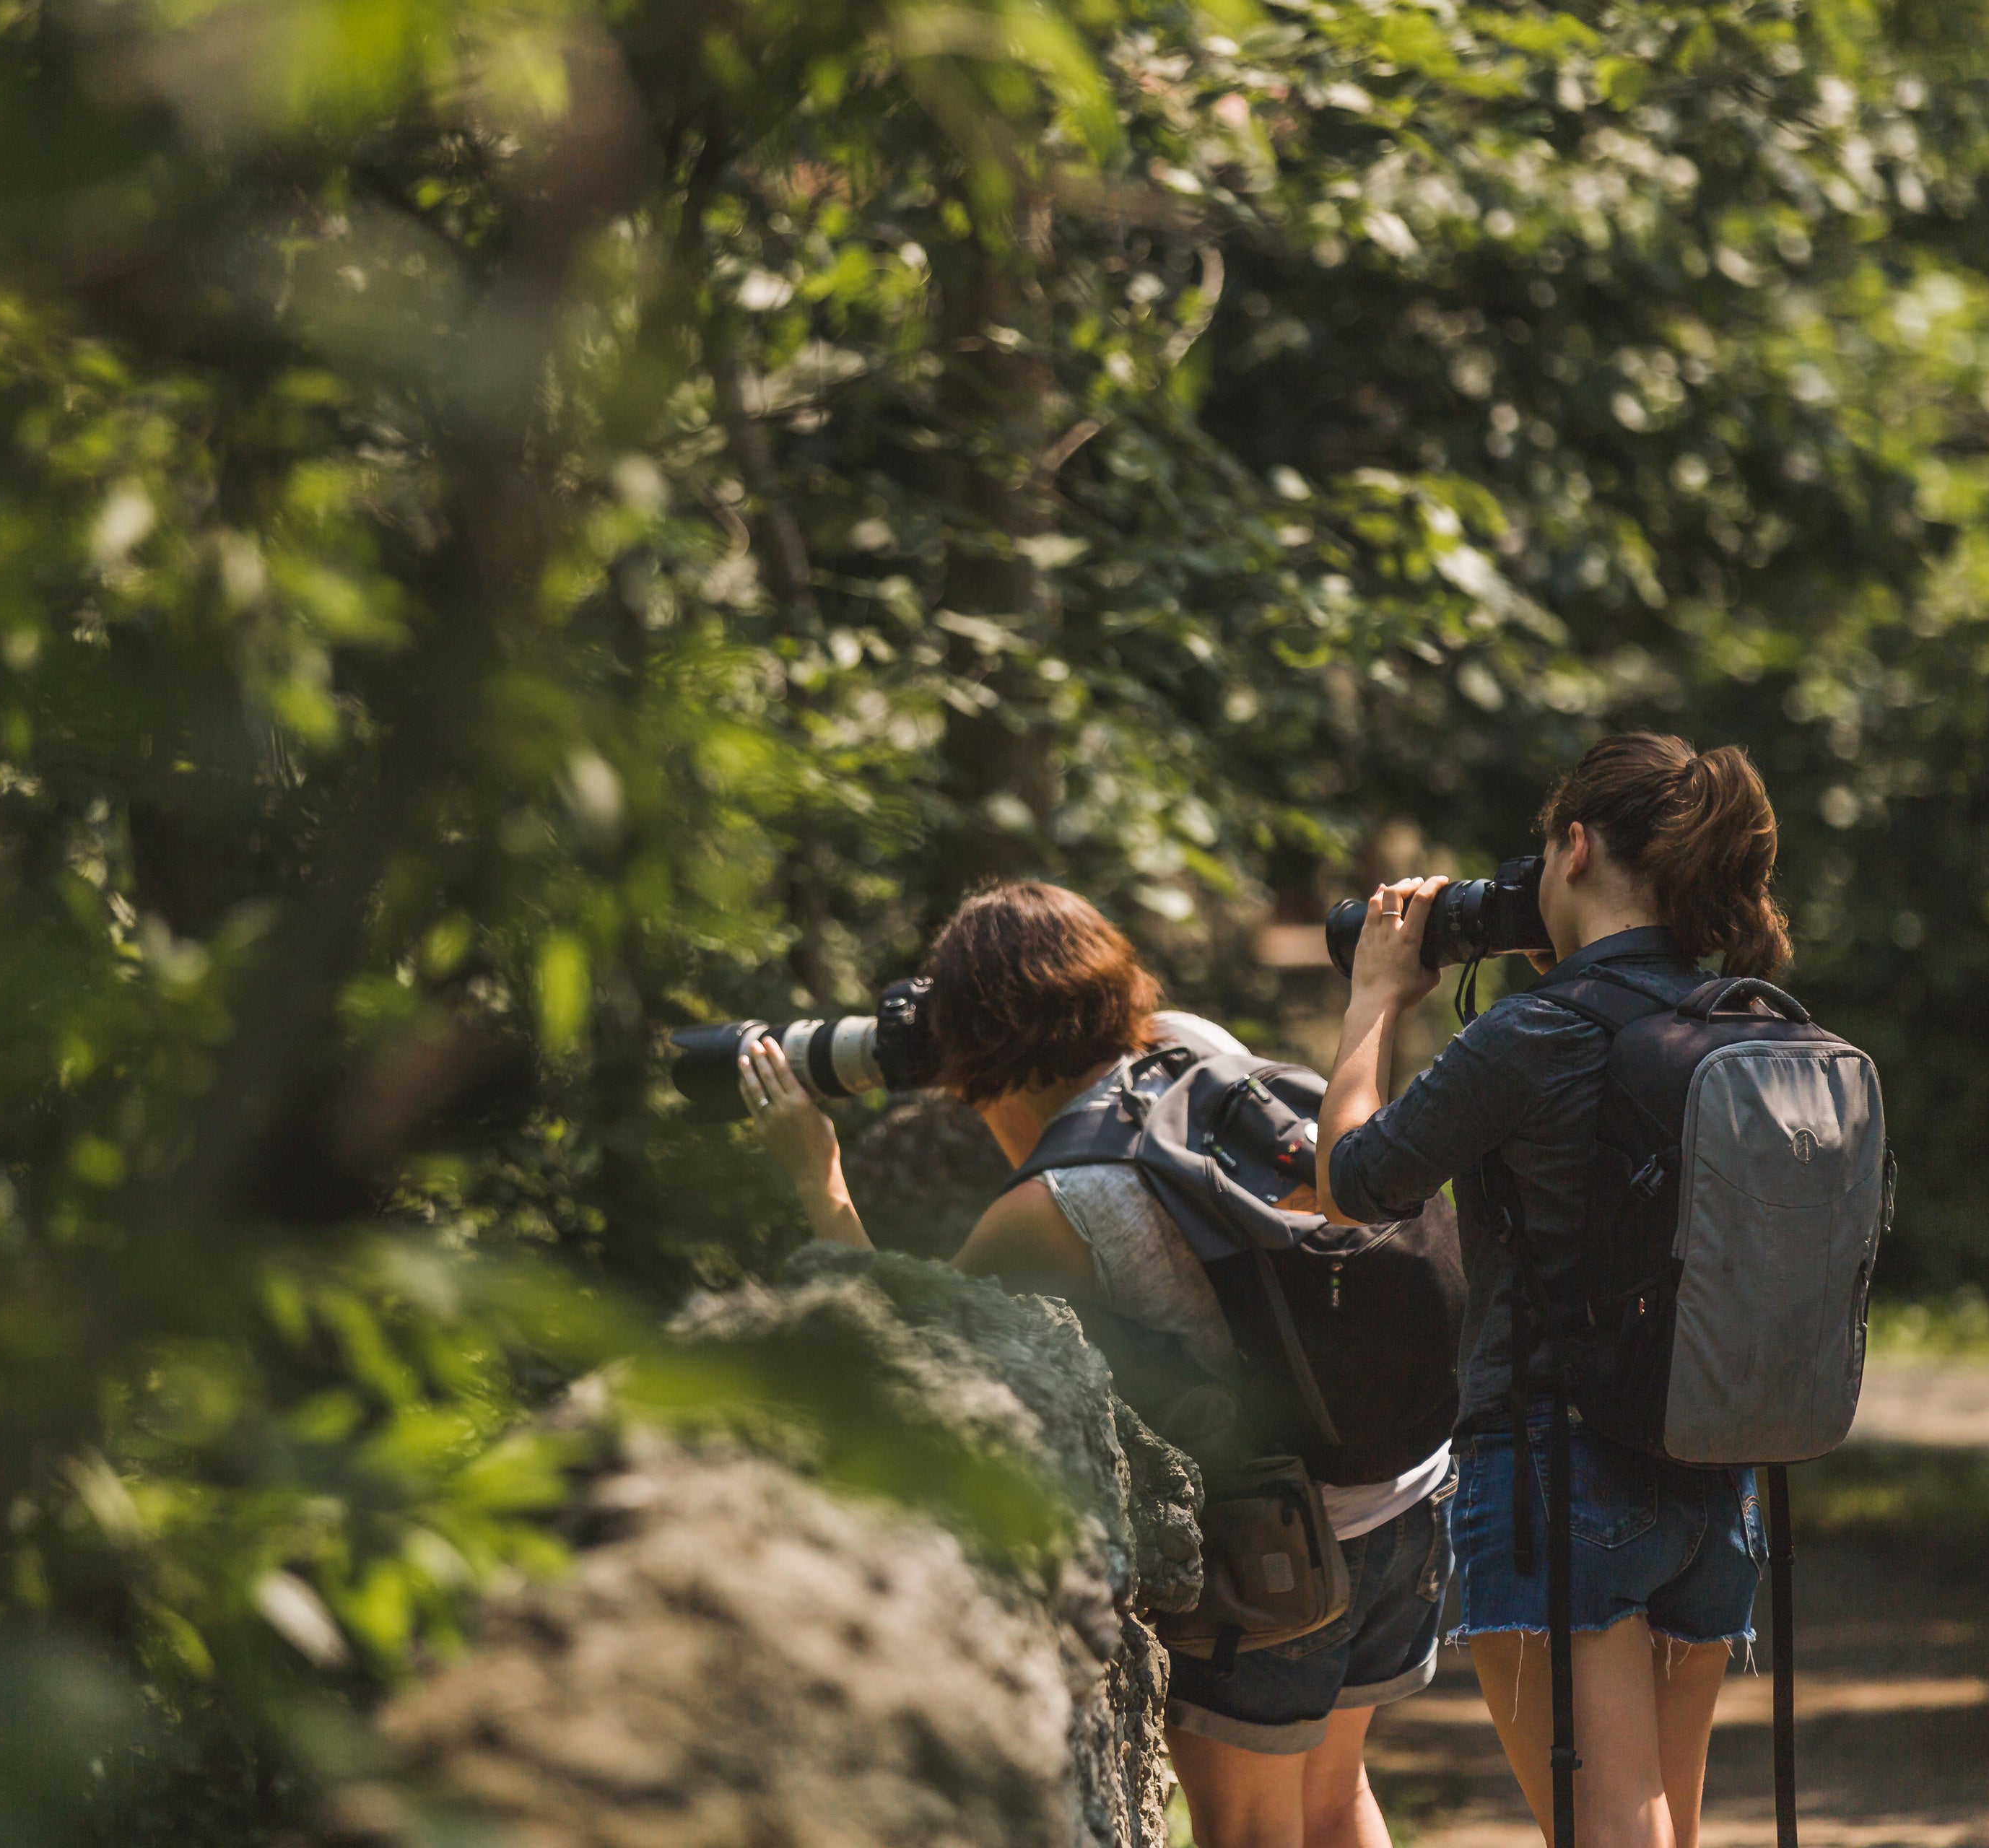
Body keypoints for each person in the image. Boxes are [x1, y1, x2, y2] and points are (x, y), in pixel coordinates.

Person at [736, 879, 1450, 1848]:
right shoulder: (1195, 1046)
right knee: (1334, 1801)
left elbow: (916, 1355)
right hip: (1402, 1494)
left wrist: (820, 1182)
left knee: (1249, 1832)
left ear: (975, 1036)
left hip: (1279, 1554)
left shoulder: (1052, 1211)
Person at [1313, 734, 1792, 1848]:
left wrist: (1378, 994)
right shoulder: (1747, 1018)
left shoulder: (1533, 1035)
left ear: (1573, 849)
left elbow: (1354, 1184)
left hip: (1554, 1472)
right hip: (1716, 1476)